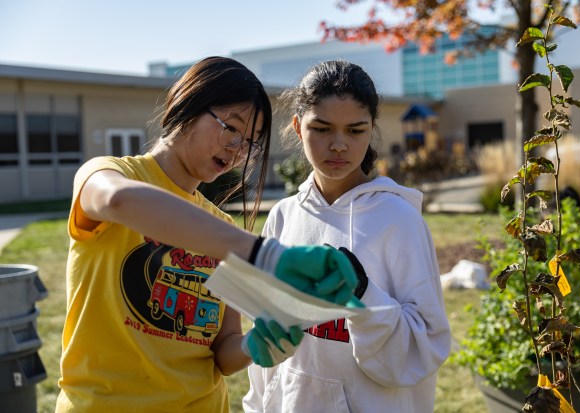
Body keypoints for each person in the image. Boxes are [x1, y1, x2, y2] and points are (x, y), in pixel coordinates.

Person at [55, 56, 360, 413]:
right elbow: (119, 200)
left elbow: (222, 352)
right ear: (188, 103)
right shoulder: (108, 174)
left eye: (250, 142)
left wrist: (254, 344)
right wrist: (265, 255)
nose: (237, 151)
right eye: (231, 128)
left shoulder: (220, 227)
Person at [243, 60, 452, 412]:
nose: (338, 144)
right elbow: (268, 329)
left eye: (355, 130)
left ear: (371, 130)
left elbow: (425, 346)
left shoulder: (399, 219)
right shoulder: (283, 216)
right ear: (297, 127)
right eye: (322, 129)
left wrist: (362, 292)